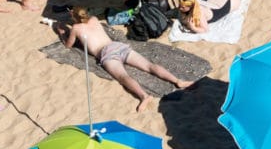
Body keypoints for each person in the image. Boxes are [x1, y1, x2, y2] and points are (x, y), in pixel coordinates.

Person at [53, 7, 192, 112]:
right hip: (116, 45)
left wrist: (62, 33)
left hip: (106, 53)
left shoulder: (76, 28)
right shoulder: (94, 19)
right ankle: (178, 81)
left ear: (74, 18)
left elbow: (68, 45)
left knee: (123, 77)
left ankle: (144, 96)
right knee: (149, 65)